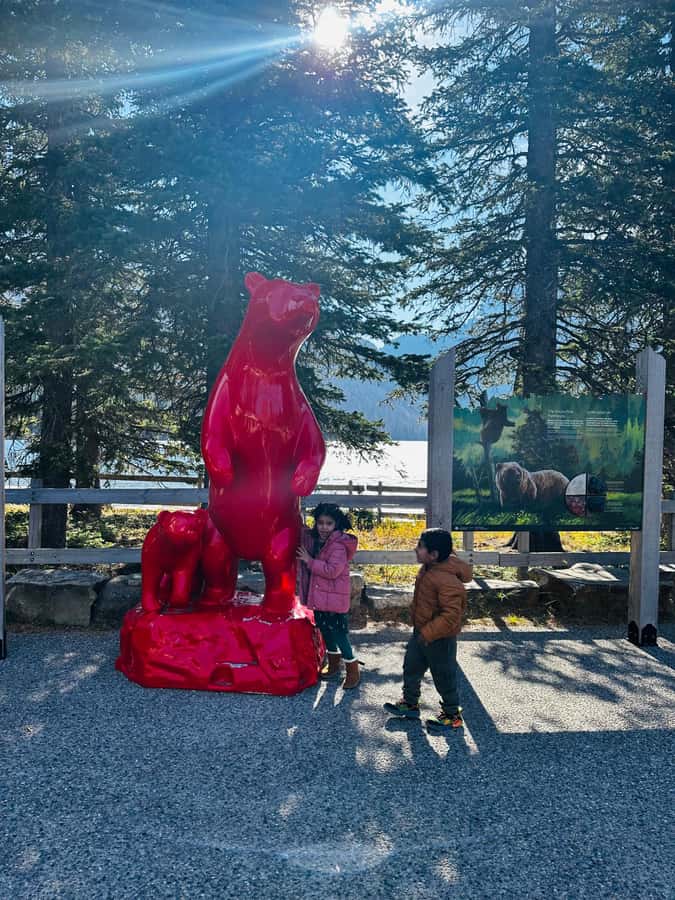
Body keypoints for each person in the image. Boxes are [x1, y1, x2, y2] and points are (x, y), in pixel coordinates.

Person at [384, 528, 472, 731]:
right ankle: (410, 703)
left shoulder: (447, 579)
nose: (416, 549)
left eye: (420, 547)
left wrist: (429, 633)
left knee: (443, 676)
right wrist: (421, 629)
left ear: (433, 554)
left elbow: (451, 615)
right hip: (421, 632)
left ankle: (452, 715)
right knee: (411, 666)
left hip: (440, 638)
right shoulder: (429, 567)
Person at [297, 503, 360, 689]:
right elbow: (302, 531)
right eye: (320, 523)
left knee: (340, 635)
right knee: (325, 630)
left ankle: (353, 669)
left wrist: (309, 561)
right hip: (320, 598)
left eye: (329, 523)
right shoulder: (317, 540)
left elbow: (332, 571)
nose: (324, 527)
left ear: (336, 524)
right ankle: (333, 663)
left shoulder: (338, 546)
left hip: (334, 600)